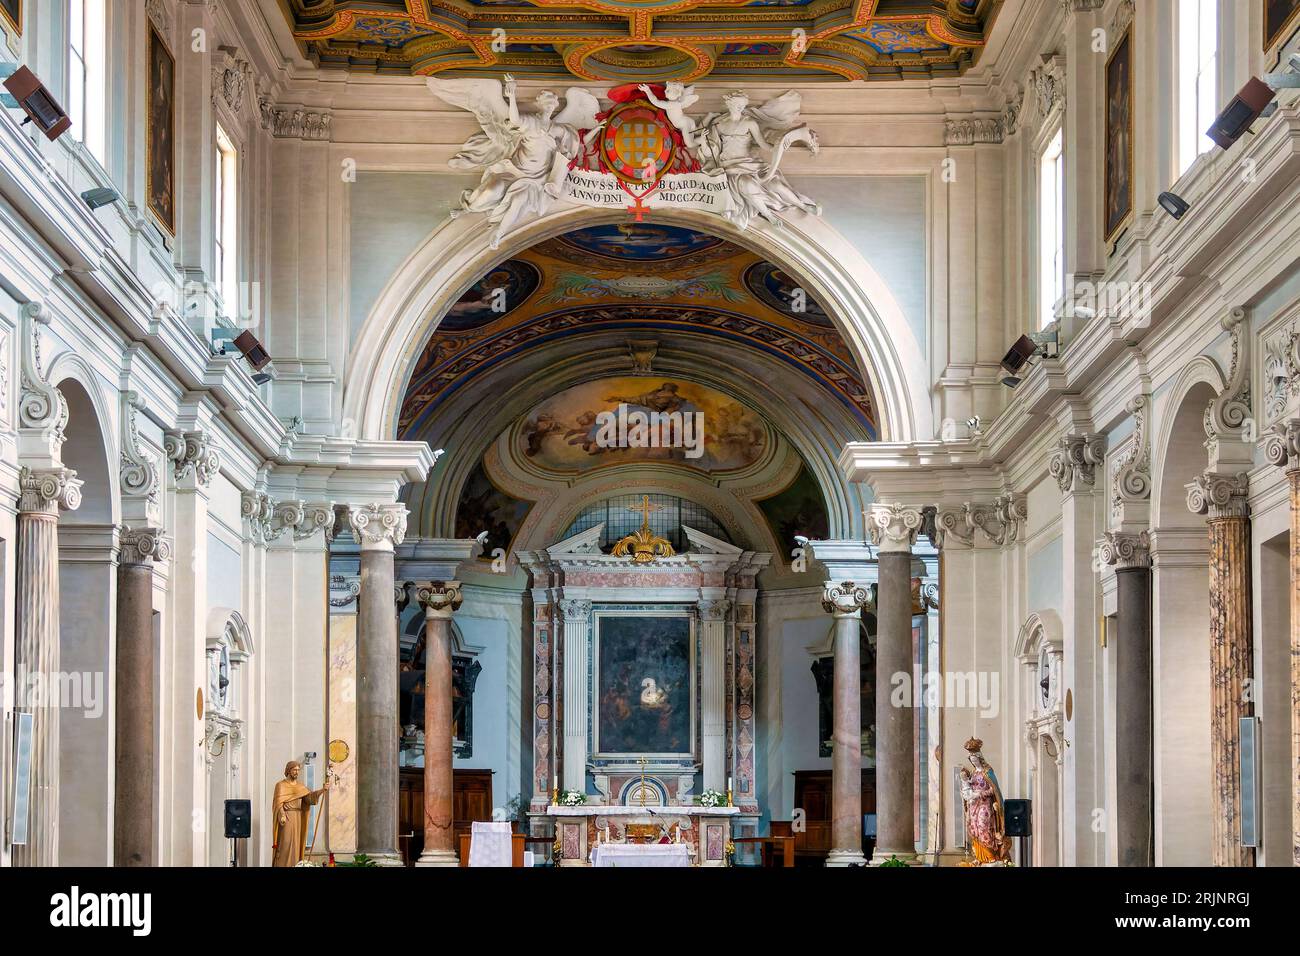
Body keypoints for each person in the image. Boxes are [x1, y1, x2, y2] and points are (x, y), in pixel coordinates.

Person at [271, 760, 329, 867]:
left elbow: (310, 798)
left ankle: (295, 864)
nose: (297, 772)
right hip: (287, 817)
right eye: (294, 770)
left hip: (297, 818)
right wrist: (282, 814)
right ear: (288, 770)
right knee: (286, 843)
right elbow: (278, 803)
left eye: (298, 770)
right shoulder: (281, 785)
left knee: (296, 845)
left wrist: (322, 790)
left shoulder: (300, 787)